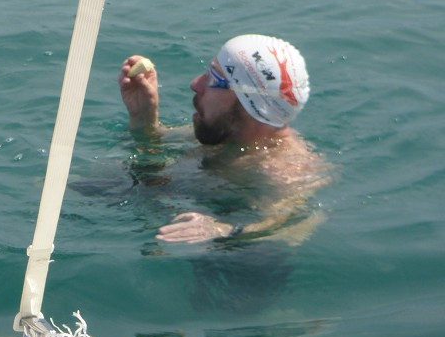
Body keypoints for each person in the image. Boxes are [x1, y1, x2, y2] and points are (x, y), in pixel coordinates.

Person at [118, 34, 327, 244]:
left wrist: (223, 229)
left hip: (237, 260)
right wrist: (144, 117)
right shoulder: (225, 134)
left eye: (214, 79)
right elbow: (152, 144)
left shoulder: (282, 170)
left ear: (249, 103)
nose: (196, 84)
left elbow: (295, 225)